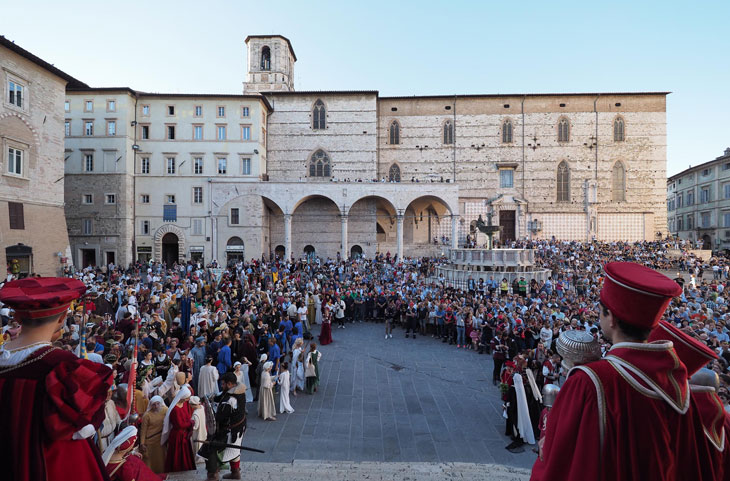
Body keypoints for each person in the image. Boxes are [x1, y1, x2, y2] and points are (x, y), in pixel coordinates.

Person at [531, 262, 694, 481]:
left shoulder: (589, 381)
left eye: (600, 311)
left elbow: (559, 462)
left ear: (612, 318)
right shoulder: (677, 380)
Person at [0, 277, 114, 481]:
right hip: (50, 467)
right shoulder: (63, 367)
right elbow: (81, 429)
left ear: (16, 316)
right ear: (62, 318)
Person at [203, 372, 247, 480]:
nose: (221, 386)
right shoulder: (239, 392)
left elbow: (219, 417)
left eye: (223, 384)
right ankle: (235, 472)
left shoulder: (230, 400)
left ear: (230, 384)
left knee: (210, 447)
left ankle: (212, 475)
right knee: (234, 450)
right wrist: (210, 398)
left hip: (230, 431)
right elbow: (220, 396)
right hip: (239, 428)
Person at [161, 386, 196, 472]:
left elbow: (187, 417)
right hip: (178, 436)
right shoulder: (175, 409)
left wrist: (189, 422)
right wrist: (191, 423)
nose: (188, 399)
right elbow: (180, 424)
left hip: (184, 434)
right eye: (187, 398)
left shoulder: (184, 405)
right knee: (178, 454)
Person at [139, 396, 167, 474]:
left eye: (158, 404)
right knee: (150, 462)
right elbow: (143, 430)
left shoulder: (165, 410)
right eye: (154, 404)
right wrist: (142, 443)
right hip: (150, 441)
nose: (156, 406)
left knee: (161, 460)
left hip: (161, 440)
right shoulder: (147, 415)